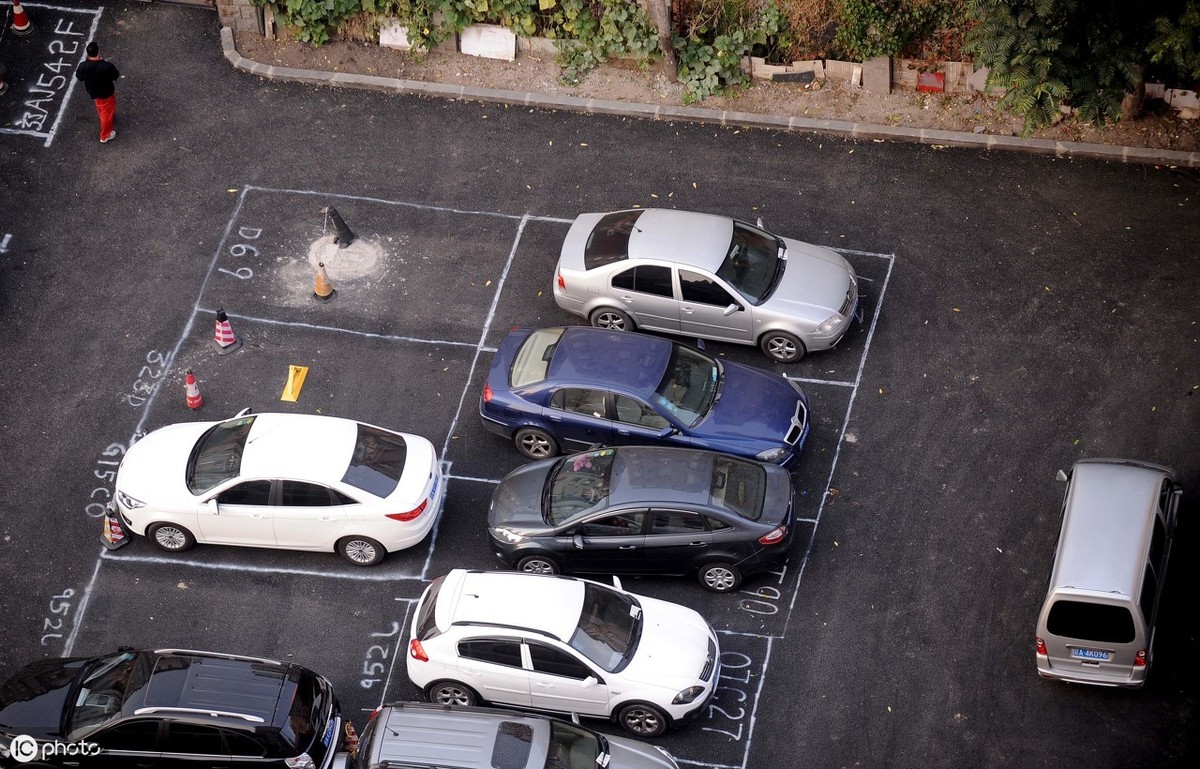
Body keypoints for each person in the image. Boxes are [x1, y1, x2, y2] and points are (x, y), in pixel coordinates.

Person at [75, 42, 120, 143]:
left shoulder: (83, 66)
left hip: (93, 93)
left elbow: (79, 77)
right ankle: (105, 135)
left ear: (88, 54)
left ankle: (106, 122)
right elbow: (115, 75)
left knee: (101, 108)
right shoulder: (106, 66)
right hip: (106, 94)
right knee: (106, 114)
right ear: (98, 51)